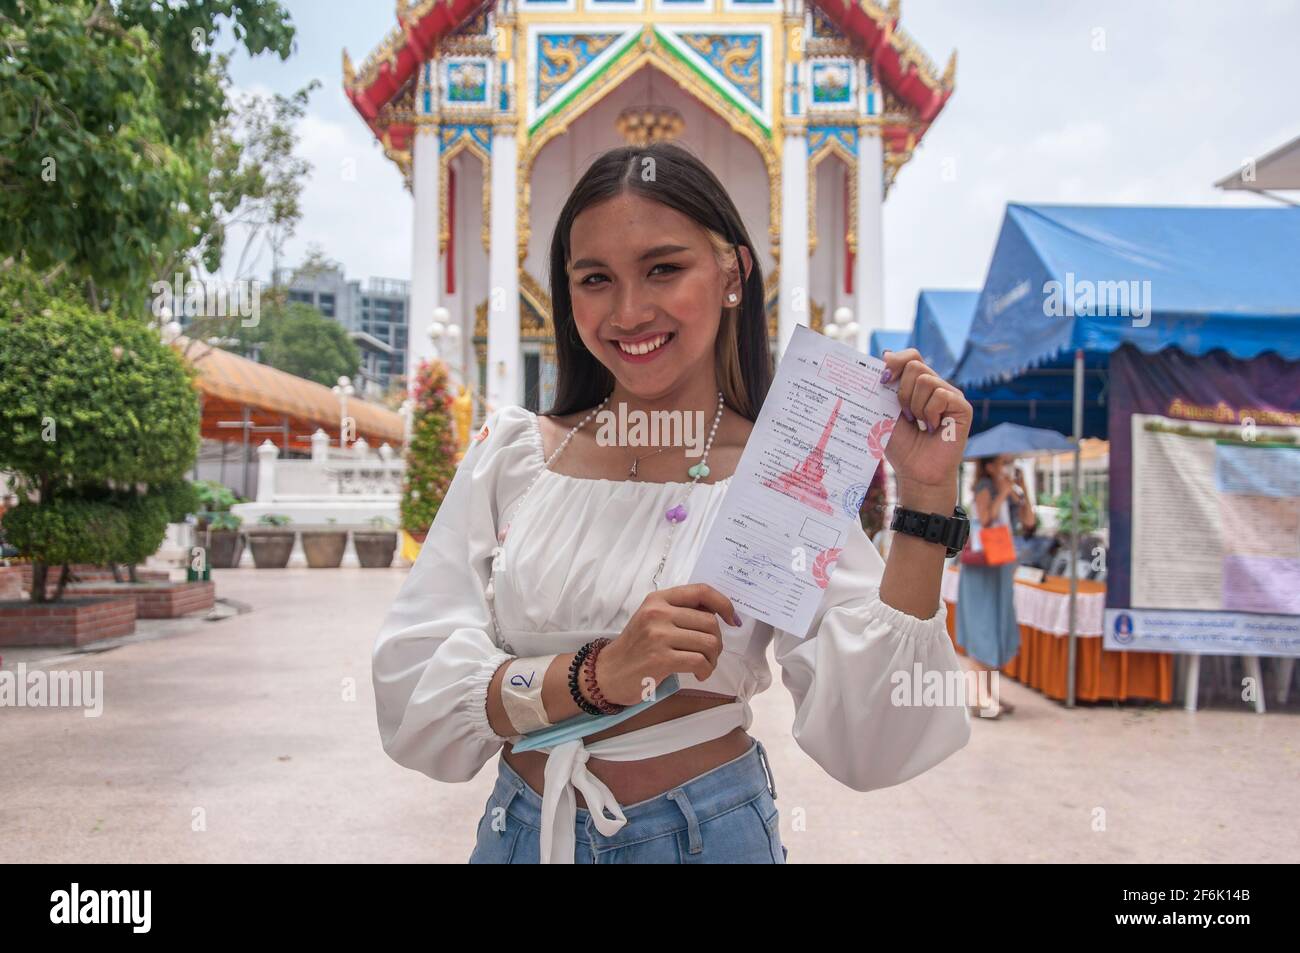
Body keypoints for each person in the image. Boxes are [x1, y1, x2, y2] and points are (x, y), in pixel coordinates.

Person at [372, 142, 974, 864]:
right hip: (520, 832)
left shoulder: (780, 475)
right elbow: (410, 688)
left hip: (704, 838)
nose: (629, 311)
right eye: (595, 278)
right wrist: (594, 675)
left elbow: (875, 738)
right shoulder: (516, 458)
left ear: (732, 275)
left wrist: (926, 503)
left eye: (664, 268)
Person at [957, 455, 1037, 716]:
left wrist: (1022, 489)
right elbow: (986, 519)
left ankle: (989, 694)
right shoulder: (984, 488)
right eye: (1005, 462)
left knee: (996, 624)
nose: (1009, 467)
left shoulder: (1011, 490)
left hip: (1001, 563)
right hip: (982, 565)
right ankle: (979, 697)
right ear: (990, 465)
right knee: (982, 625)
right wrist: (1002, 493)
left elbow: (1029, 522)